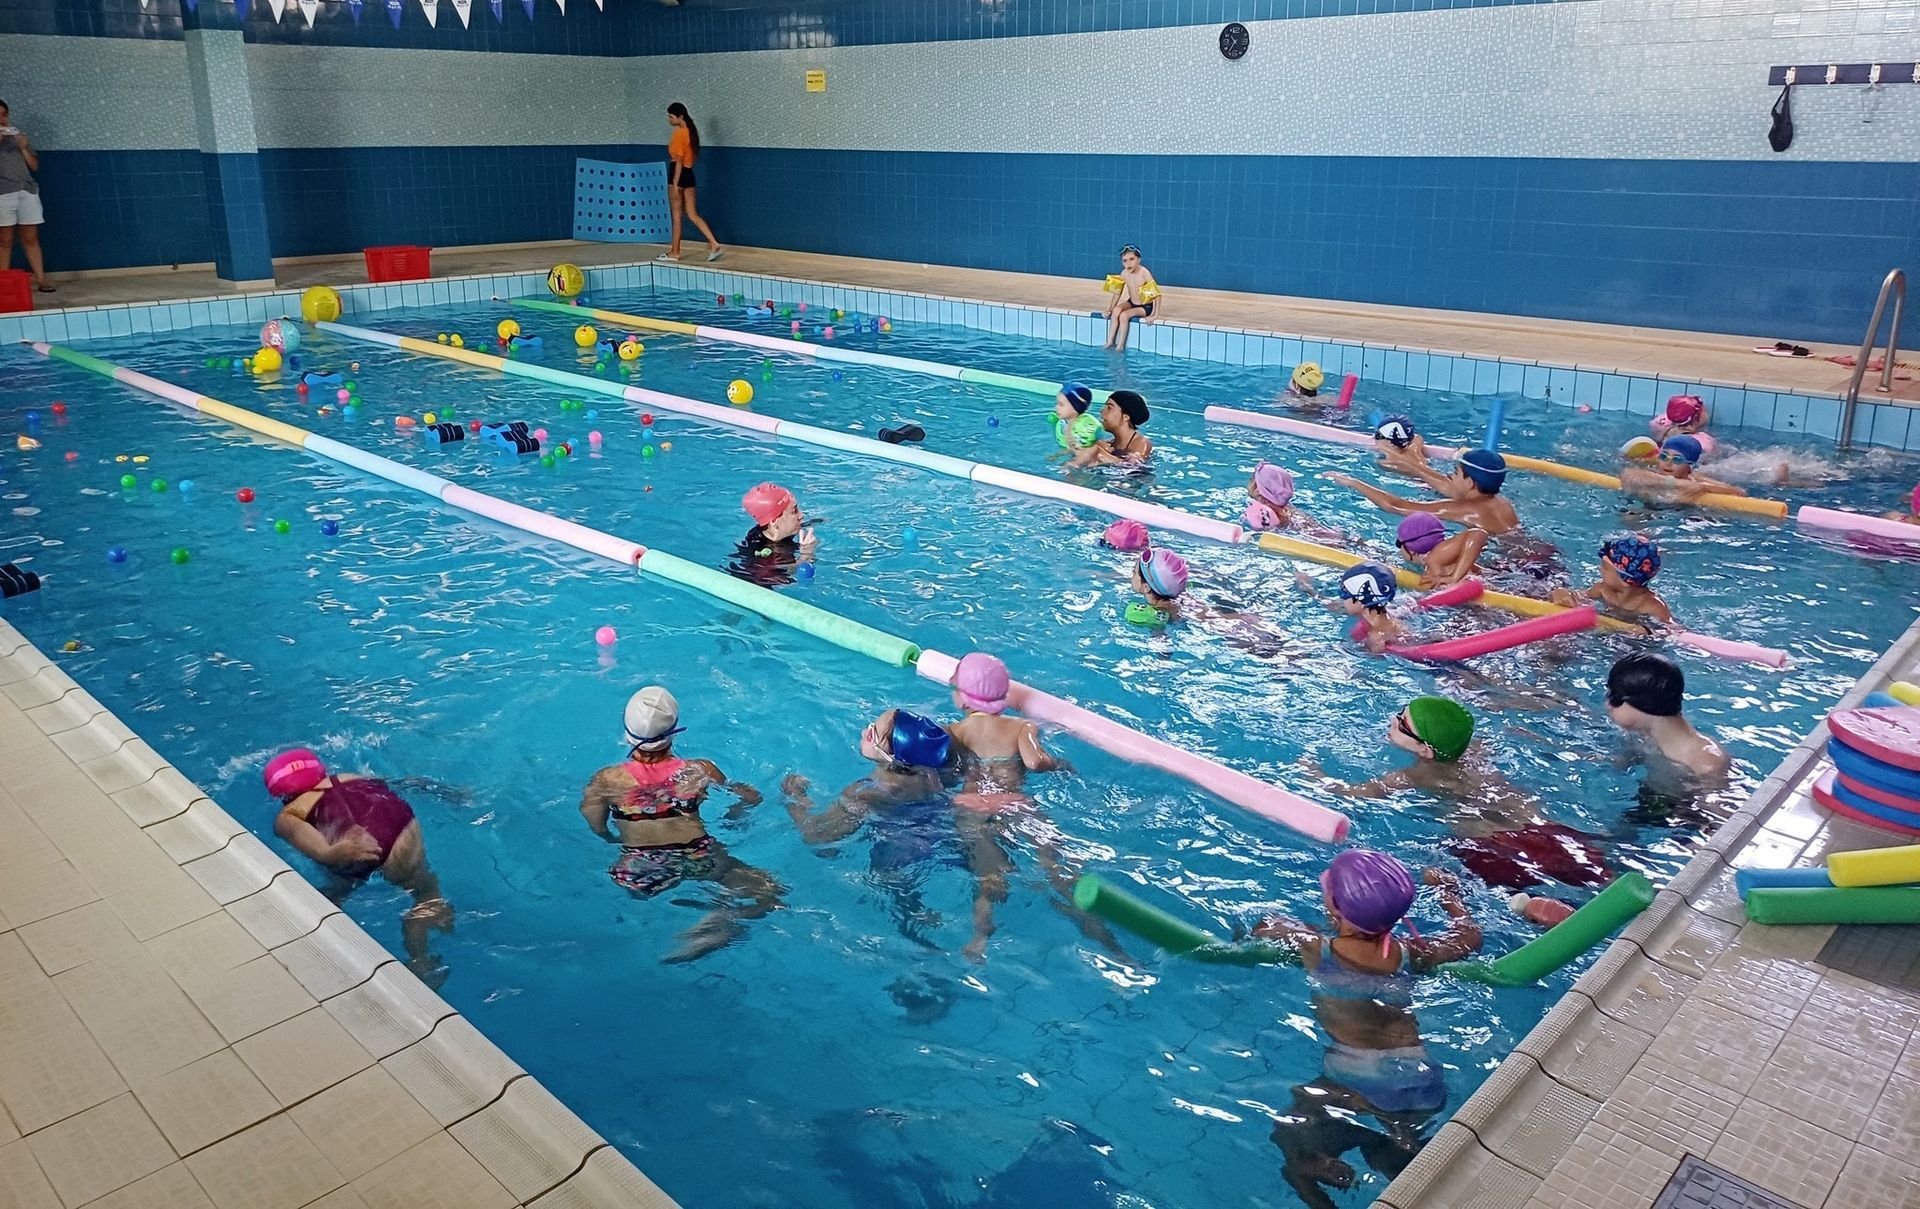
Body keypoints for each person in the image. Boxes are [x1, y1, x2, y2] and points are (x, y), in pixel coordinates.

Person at [1253, 851, 1483, 1209]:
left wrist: (1274, 924)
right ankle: (1397, 1154)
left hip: (1357, 1077)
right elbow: (1469, 936)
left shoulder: (1317, 948)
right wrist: (1451, 896)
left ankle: (1311, 1169)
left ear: (1333, 905)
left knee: (1290, 1126)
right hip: (1422, 1081)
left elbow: (1266, 927)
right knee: (1396, 1159)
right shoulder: (1411, 953)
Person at [1298, 698, 1612, 889]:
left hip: (1495, 849)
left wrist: (1313, 773)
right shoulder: (1473, 749)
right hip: (1548, 830)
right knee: (1603, 878)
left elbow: (1351, 793)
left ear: (1425, 750)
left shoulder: (1416, 775)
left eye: (1401, 724)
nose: (1392, 721)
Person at [578, 687, 782, 962]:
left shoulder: (607, 779)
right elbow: (750, 798)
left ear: (627, 734)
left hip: (637, 866)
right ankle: (719, 923)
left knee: (637, 896)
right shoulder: (699, 769)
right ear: (675, 731)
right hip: (697, 854)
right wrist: (735, 815)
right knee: (769, 892)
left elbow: (593, 818)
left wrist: (609, 838)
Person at [266, 749, 452, 986]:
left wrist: (334, 854)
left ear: (281, 794)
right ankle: (420, 955)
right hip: (402, 833)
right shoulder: (349, 776)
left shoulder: (290, 812)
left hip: (353, 846)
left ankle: (320, 925)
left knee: (338, 887)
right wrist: (450, 794)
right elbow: (407, 784)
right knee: (425, 891)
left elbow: (309, 841)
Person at [783, 708, 956, 950]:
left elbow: (820, 841)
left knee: (899, 900)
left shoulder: (866, 792)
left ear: (890, 755)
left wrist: (795, 799)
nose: (864, 731)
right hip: (938, 826)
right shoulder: (929, 773)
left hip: (898, 848)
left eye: (872, 732)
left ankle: (924, 947)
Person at [1327, 450, 1520, 536]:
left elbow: (1397, 506)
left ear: (1470, 483)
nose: (1450, 476)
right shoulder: (1500, 502)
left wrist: (1353, 482)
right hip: (1535, 556)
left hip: (1506, 567)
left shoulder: (1468, 509)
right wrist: (1411, 466)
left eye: (1456, 473)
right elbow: (1448, 487)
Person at [1605, 652, 1731, 780]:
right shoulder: (1643, 737)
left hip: (1680, 800)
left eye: (1615, 698)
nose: (1608, 706)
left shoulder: (1705, 761)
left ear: (1645, 704)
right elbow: (1618, 764)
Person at [1551, 533, 1671, 624]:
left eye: (1605, 567)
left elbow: (1671, 631)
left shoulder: (1653, 606)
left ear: (1626, 580)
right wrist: (1561, 593)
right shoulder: (1602, 589)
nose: (1600, 569)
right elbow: (1577, 596)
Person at [1296, 561, 1404, 653]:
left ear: (1361, 602)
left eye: (1344, 595)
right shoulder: (1386, 616)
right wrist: (1309, 590)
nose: (1342, 599)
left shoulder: (1370, 635)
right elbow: (1335, 606)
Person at [0, 102, 51, 294]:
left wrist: (23, 147)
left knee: (31, 237)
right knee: (4, 240)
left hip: (27, 191)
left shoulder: (18, 137)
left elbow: (34, 166)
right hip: (3, 193)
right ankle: (3, 282)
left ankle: (42, 280)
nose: (1, 119)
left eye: (4, 114)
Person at [661, 102, 721, 263]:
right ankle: (714, 243)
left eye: (671, 116)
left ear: (680, 117)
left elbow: (678, 161)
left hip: (678, 174)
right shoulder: (691, 133)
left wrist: (674, 184)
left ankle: (675, 252)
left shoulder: (679, 133)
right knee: (693, 214)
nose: (669, 119)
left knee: (676, 216)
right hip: (689, 174)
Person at [728, 481, 817, 587]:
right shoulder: (762, 554)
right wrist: (806, 555)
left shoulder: (778, 529)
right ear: (774, 521)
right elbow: (778, 579)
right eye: (794, 511)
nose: (801, 515)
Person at [1619, 435, 1748, 506]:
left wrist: (1702, 487)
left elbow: (1740, 493)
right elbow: (1628, 475)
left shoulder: (1695, 479)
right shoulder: (1652, 474)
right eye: (1663, 457)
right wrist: (1678, 484)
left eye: (1677, 460)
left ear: (1690, 466)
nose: (1668, 463)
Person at [1394, 512, 1486, 588]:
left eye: (1398, 543)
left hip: (1487, 584)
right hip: (1484, 581)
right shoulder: (1432, 559)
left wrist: (1453, 578)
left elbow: (1478, 534)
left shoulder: (1435, 557)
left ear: (1411, 550)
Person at [1072, 389, 1152, 467]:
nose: (1101, 411)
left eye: (1109, 408)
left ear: (1126, 417)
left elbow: (1133, 467)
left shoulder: (1141, 443)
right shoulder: (1110, 444)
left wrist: (1099, 451)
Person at [1103, 245, 1161, 350]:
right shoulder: (1124, 273)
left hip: (1145, 306)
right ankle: (1110, 341)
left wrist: (1154, 315)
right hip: (1132, 302)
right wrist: (1110, 308)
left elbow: (1157, 295)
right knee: (1116, 311)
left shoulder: (1144, 273)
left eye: (1132, 259)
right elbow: (1117, 292)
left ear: (1139, 259)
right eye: (1125, 261)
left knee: (1124, 315)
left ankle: (1120, 346)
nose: (1128, 263)